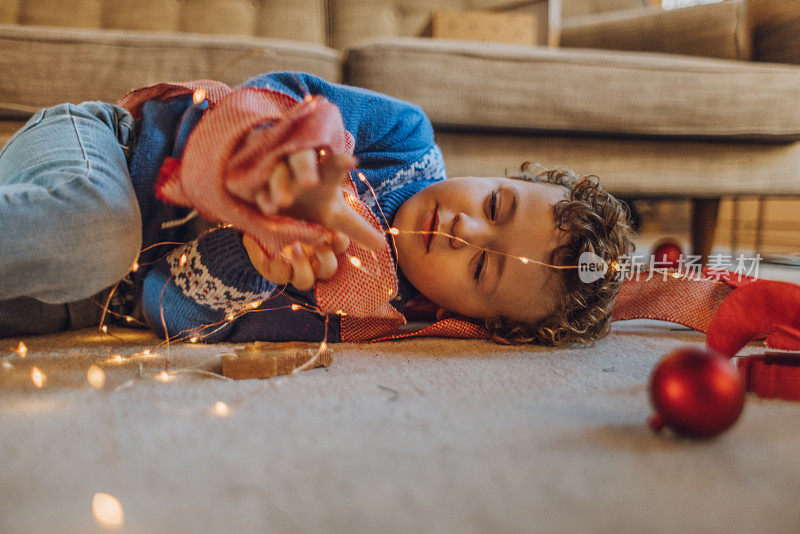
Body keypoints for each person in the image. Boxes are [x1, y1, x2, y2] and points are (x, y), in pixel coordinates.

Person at [0, 72, 634, 345]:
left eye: (480, 269)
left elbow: (165, 311)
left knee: (29, 309)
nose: (465, 230)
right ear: (495, 176)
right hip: (107, 150)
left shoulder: (354, 315)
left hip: (96, 294)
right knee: (95, 232)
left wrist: (252, 260)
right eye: (494, 204)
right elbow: (272, 93)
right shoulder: (405, 141)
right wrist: (292, 166)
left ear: (465, 318)